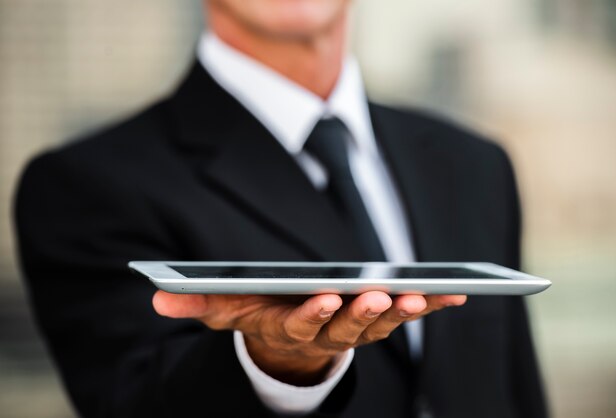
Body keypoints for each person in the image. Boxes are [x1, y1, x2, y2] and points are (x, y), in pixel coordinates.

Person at [14, 1, 547, 417]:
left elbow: (515, 390)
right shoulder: (88, 183)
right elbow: (133, 401)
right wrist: (275, 364)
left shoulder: (473, 163)